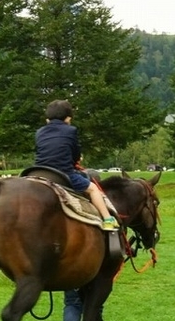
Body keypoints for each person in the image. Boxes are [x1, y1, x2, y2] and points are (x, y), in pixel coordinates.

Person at [34, 99, 118, 231]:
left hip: (39, 171)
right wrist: (77, 159)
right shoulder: (70, 131)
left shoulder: (39, 132)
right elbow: (75, 155)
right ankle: (107, 219)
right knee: (93, 189)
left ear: (47, 120)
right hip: (62, 174)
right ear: (68, 119)